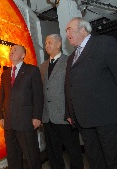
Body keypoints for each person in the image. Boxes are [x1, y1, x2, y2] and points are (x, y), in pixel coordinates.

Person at [65, 17, 117, 169]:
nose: (67, 32)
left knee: (115, 159)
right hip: (84, 120)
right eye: (66, 30)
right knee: (95, 159)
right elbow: (70, 87)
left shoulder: (103, 43)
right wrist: (70, 112)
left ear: (83, 29)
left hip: (106, 116)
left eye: (70, 29)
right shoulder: (71, 59)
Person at [39, 34, 83, 169]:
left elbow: (74, 89)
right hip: (48, 117)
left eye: (50, 42)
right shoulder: (42, 66)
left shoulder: (69, 61)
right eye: (46, 43)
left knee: (73, 150)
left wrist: (71, 113)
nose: (47, 45)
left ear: (59, 44)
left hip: (65, 116)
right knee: (53, 153)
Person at [0, 44, 44, 169]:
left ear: (23, 55)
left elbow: (38, 95)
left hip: (26, 121)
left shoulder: (32, 70)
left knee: (31, 156)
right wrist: (0, 116)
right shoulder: (5, 74)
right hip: (9, 122)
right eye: (11, 50)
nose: (12, 52)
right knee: (13, 157)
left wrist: (37, 116)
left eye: (15, 50)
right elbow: (2, 97)